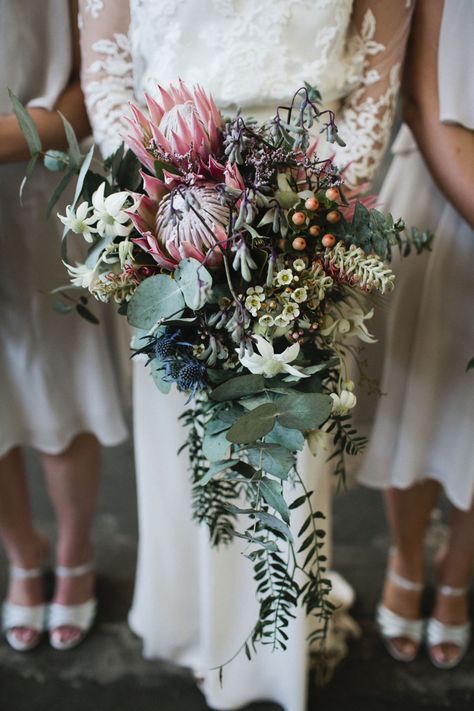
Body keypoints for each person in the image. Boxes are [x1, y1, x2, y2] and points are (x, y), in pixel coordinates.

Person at [78, 1, 413, 708]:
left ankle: (274, 647)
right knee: (189, 444)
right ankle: (193, 617)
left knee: (288, 440)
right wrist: (163, 206)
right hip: (171, 213)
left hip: (307, 221)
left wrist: (303, 222)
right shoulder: (169, 211)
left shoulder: (308, 221)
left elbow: (376, 87)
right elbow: (107, 76)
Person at [0, 0, 128, 653]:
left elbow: (92, 89)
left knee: (63, 387)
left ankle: (76, 549)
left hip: (41, 185)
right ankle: (24, 553)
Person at [358, 0, 474, 670]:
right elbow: (423, 100)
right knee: (416, 406)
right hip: (440, 182)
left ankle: (458, 568)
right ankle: (407, 554)